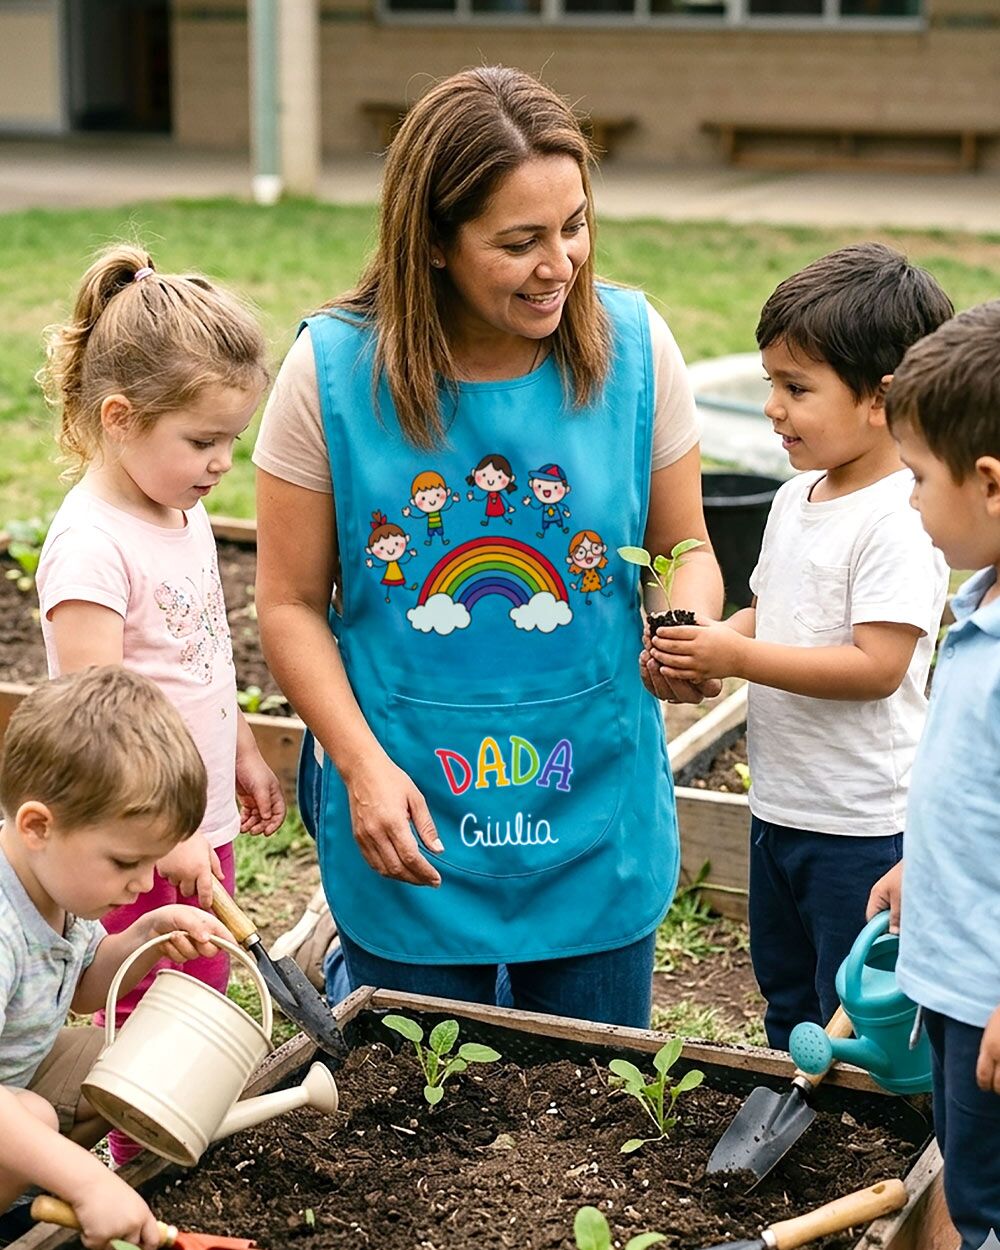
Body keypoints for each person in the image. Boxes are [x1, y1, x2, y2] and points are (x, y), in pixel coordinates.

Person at [253, 65, 723, 1027]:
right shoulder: (329, 373)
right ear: (431, 242)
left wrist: (684, 626)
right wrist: (361, 766)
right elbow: (289, 604)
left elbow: (684, 547)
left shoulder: (638, 348)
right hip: (409, 801)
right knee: (418, 1105)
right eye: (519, 243)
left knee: (597, 1094)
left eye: (575, 225)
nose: (562, 264)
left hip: (593, 797)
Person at [652, 243, 952, 1048]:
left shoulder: (900, 517)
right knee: (787, 991)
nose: (772, 409)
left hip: (864, 826)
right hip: (781, 808)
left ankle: (865, 1114)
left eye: (796, 388)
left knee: (859, 1007)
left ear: (882, 399)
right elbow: (771, 611)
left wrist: (736, 659)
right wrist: (710, 641)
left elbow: (877, 667)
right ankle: (794, 1096)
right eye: (770, 384)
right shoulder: (796, 497)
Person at [35, 244, 286, 1164]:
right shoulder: (90, 547)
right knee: (145, 1006)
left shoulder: (180, 512)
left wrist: (243, 747)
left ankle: (162, 1146)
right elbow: (96, 721)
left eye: (232, 442)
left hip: (190, 823)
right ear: (120, 417)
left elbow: (201, 656)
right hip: (133, 834)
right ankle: (123, 1166)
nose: (221, 464)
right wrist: (162, 833)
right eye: (202, 441)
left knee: (197, 981)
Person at [0, 666, 232, 1250]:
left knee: (126, 1068)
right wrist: (87, 1180)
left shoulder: (54, 880)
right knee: (33, 1117)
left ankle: (19, 1195)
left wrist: (147, 934)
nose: (145, 882)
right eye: (126, 863)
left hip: (14, 1085)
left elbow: (80, 987)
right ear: (37, 826)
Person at [865, 301, 1000, 1250]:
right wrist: (930, 865)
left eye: (917, 476)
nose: (909, 500)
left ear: (988, 483)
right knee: (970, 1170)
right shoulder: (979, 604)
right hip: (957, 979)